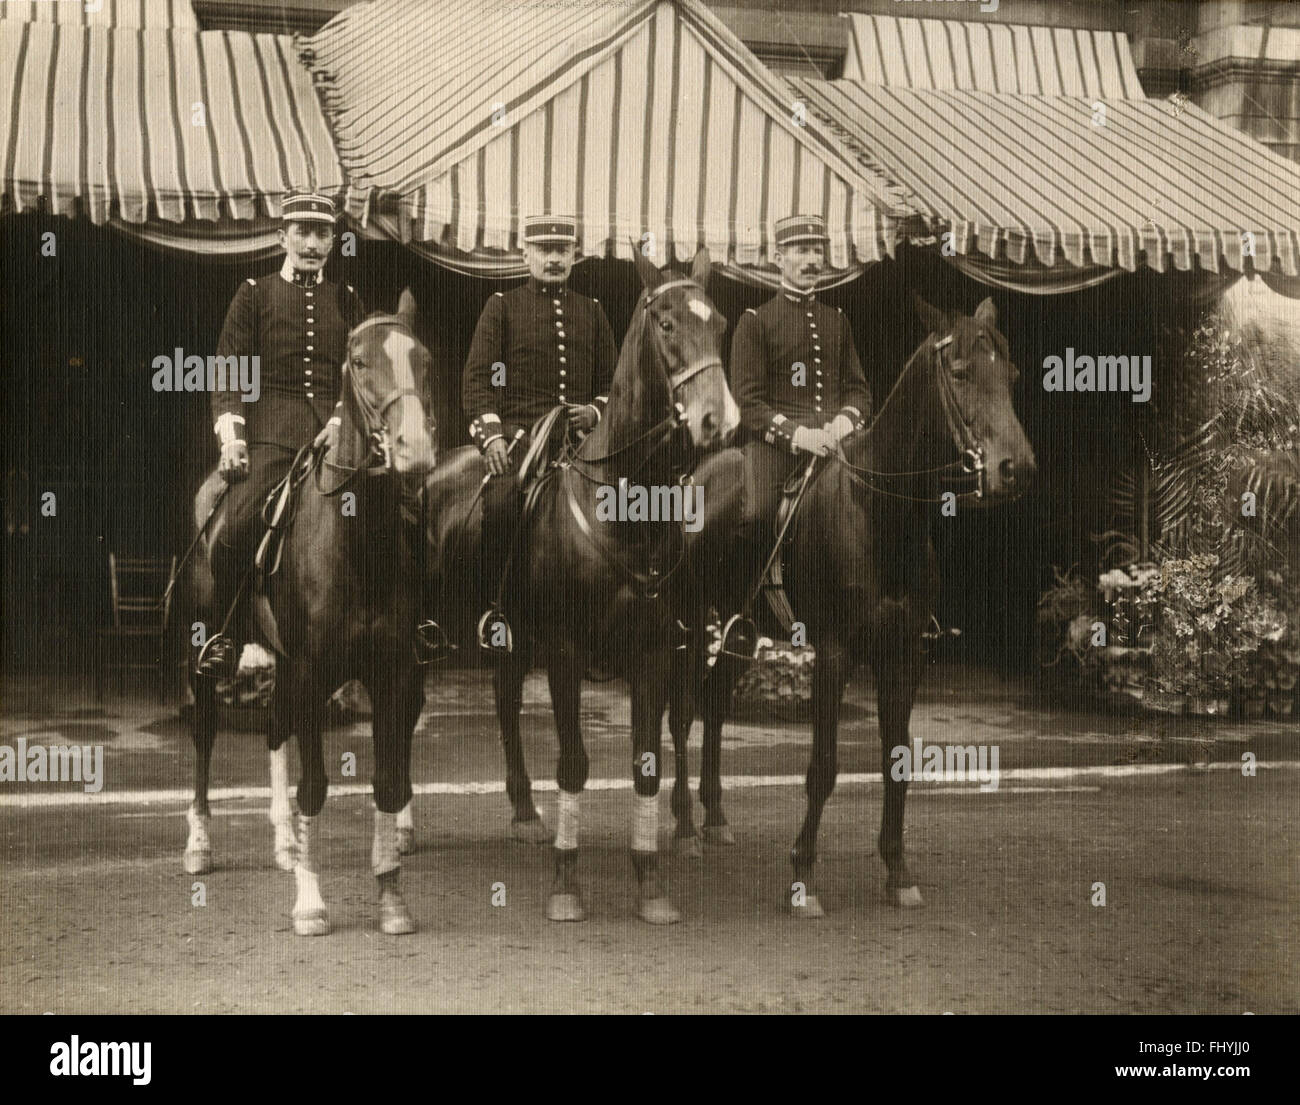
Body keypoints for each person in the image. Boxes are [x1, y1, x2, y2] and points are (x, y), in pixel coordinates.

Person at [196, 191, 365, 677]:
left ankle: (396, 632)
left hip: (337, 439)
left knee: (397, 517)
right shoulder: (255, 293)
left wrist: (338, 423)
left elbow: (359, 375)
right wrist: (233, 437)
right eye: (303, 232)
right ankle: (230, 636)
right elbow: (229, 371)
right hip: (273, 437)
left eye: (323, 233)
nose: (313, 243)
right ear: (282, 237)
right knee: (234, 530)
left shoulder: (346, 299)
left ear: (334, 240)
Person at [461, 215, 618, 651]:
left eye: (561, 251)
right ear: (525, 253)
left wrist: (594, 409)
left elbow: (613, 385)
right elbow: (479, 381)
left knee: (631, 505)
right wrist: (491, 436)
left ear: (574, 256)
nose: (553, 258)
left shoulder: (593, 311)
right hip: (522, 439)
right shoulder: (503, 307)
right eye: (544, 250)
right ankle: (498, 611)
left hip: (583, 446)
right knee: (502, 500)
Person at [730, 213, 872, 572]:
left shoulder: (836, 319)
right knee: (757, 514)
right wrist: (801, 435)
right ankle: (743, 609)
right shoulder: (755, 321)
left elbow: (859, 391)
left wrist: (841, 425)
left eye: (817, 251)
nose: (812, 260)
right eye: (801, 251)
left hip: (837, 444)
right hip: (775, 448)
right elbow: (748, 403)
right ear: (779, 259)